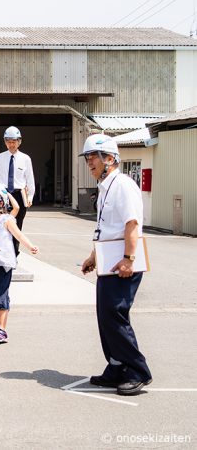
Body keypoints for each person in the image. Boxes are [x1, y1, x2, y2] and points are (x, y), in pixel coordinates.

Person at [80, 134, 152, 396]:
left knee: (115, 315)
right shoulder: (105, 188)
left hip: (123, 261)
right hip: (109, 258)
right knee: (105, 316)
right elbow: (105, 229)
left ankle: (137, 371)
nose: (89, 163)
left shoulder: (123, 185)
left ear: (109, 158)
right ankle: (116, 366)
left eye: (93, 158)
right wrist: (93, 256)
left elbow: (131, 223)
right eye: (87, 158)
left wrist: (129, 259)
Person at [0, 188, 38, 343]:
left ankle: (2, 330)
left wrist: (30, 246)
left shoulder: (6, 220)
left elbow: (19, 234)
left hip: (3, 263)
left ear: (0, 203)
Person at [0, 126, 35, 256]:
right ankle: (1, 251)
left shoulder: (26, 158)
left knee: (17, 225)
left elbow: (30, 179)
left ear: (19, 142)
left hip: (19, 195)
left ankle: (14, 253)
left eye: (14, 141)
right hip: (3, 194)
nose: (11, 144)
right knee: (0, 223)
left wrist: (30, 196)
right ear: (5, 142)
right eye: (8, 141)